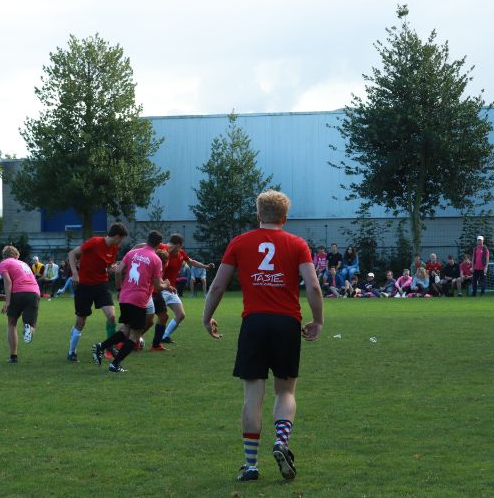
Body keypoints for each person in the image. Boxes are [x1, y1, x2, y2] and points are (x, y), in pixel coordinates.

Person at [201, 189, 324, 482]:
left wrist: (206, 317)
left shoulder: (239, 242)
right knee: (285, 392)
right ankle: (281, 440)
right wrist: (318, 320)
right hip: (287, 323)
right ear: (285, 217)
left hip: (254, 323)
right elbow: (313, 286)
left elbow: (217, 286)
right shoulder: (297, 244)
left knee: (252, 396)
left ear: (258, 215)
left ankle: (251, 466)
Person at [92, 230, 173, 372]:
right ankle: (115, 364)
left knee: (126, 329)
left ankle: (101, 346)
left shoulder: (132, 253)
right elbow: (158, 287)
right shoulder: (156, 259)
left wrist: (119, 289)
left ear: (147, 239)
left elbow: (118, 271)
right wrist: (166, 284)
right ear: (159, 244)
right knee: (135, 335)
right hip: (139, 299)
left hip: (125, 296)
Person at [66, 222, 129, 362]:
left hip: (101, 285)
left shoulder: (114, 248)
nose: (121, 242)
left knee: (112, 316)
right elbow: (72, 253)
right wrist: (75, 273)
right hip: (84, 286)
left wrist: (113, 269)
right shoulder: (95, 242)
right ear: (117, 236)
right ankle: (71, 352)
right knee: (81, 321)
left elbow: (108, 267)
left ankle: (109, 347)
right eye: (122, 238)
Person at [151, 234, 215, 346]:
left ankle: (164, 336)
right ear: (179, 244)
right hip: (159, 288)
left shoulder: (181, 253)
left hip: (171, 289)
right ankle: (133, 337)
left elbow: (191, 261)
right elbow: (145, 247)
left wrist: (205, 266)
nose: (170, 247)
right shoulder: (162, 248)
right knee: (149, 317)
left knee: (180, 315)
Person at [0, 245, 41, 363]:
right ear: (16, 256)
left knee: (12, 324)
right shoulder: (24, 264)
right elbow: (25, 283)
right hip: (34, 293)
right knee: (31, 325)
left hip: (18, 293)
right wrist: (7, 297)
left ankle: (13, 356)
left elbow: (8, 281)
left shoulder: (4, 263)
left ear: (4, 256)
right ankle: (29, 329)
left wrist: (7, 302)